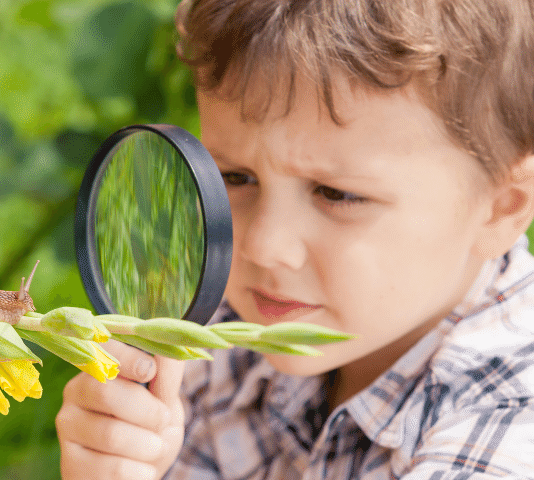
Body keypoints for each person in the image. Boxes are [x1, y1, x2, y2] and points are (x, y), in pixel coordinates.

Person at [56, 0, 534, 478]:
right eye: (235, 177)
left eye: (337, 194)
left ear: (499, 209)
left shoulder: (506, 440)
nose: (262, 246)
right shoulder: (230, 342)